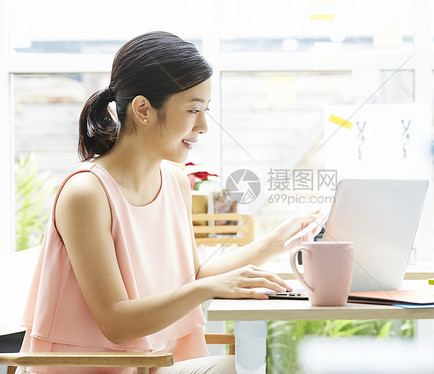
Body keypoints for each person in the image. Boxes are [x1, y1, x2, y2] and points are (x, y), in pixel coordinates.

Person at [17, 31, 321, 374]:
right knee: (244, 367)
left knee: (248, 365)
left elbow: (191, 276)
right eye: (193, 110)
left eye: (206, 110)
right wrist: (206, 288)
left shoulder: (175, 182)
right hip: (97, 368)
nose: (204, 126)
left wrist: (276, 242)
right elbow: (116, 322)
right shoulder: (86, 194)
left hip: (156, 364)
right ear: (143, 110)